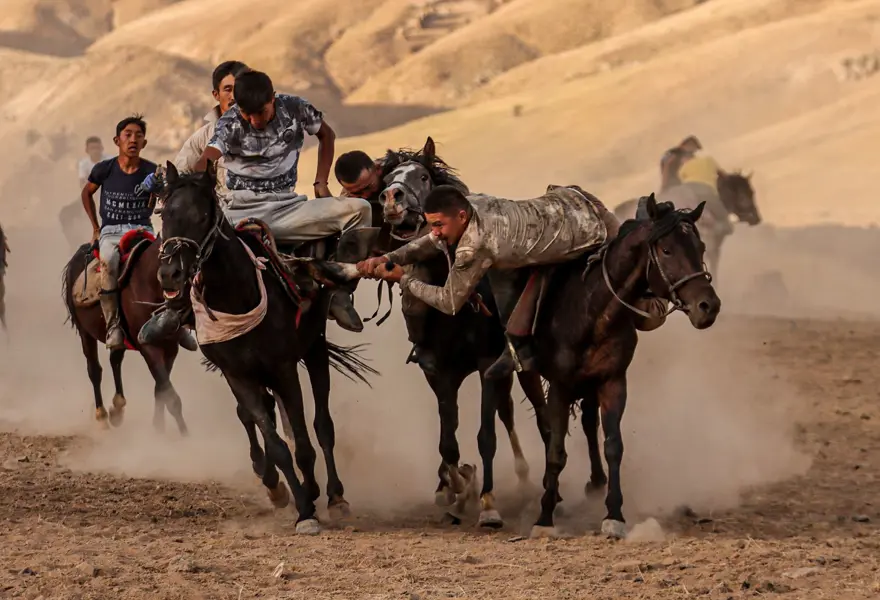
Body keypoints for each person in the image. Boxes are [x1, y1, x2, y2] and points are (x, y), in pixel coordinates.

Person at [138, 69, 372, 345]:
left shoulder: (296, 108)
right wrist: (194, 188)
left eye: (258, 112)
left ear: (273, 98)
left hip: (288, 207)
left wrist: (321, 182)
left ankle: (340, 291)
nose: (252, 120)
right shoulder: (230, 122)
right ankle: (176, 311)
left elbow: (327, 135)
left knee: (360, 209)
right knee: (192, 236)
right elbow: (206, 159)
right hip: (239, 215)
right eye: (246, 113)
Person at [356, 185, 671, 379]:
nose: (434, 231)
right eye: (431, 224)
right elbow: (432, 242)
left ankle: (646, 226)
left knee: (648, 315)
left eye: (439, 224)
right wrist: (394, 256)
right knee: (507, 277)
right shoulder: (471, 202)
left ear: (461, 217)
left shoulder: (475, 246)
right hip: (569, 196)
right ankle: (520, 344)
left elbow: (450, 302)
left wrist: (404, 279)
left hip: (594, 227)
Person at [334, 148, 469, 373]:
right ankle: (420, 344)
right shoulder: (350, 200)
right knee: (412, 297)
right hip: (390, 252)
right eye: (357, 193)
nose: (365, 195)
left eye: (368, 188)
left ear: (378, 171)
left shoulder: (402, 180)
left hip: (427, 243)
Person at [81, 115, 196, 352]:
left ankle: (180, 324)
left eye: (139, 136)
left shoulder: (152, 171)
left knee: (169, 264)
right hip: (111, 231)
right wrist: (95, 227)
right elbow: (86, 193)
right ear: (117, 140)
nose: (133, 139)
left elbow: (159, 202)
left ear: (144, 143)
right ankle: (113, 326)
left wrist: (156, 191)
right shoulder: (104, 169)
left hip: (142, 229)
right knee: (109, 264)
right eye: (128, 135)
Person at [173, 60, 250, 196]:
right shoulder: (203, 137)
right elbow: (180, 175)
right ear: (216, 95)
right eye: (228, 89)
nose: (234, 96)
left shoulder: (270, 130)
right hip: (220, 213)